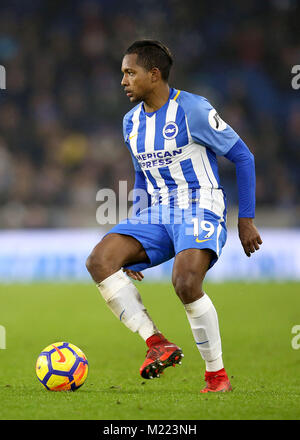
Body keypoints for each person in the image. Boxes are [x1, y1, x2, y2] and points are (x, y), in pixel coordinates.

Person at [86, 40, 262, 393]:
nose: (123, 80)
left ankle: (217, 377)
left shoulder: (194, 110)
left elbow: (243, 157)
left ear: (154, 75)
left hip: (201, 204)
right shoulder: (131, 122)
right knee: (100, 260)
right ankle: (156, 343)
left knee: (185, 283)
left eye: (129, 73)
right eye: (123, 73)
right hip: (158, 212)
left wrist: (245, 220)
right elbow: (141, 177)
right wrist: (137, 230)